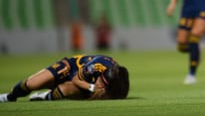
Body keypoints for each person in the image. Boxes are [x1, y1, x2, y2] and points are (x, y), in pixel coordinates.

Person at [0, 54, 129, 102]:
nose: (100, 84)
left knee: (64, 90)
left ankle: (45, 97)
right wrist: (92, 87)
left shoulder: (119, 83)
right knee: (31, 84)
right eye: (101, 80)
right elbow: (76, 80)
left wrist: (100, 93)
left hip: (79, 84)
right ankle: (9, 97)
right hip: (70, 69)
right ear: (102, 74)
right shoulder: (95, 67)